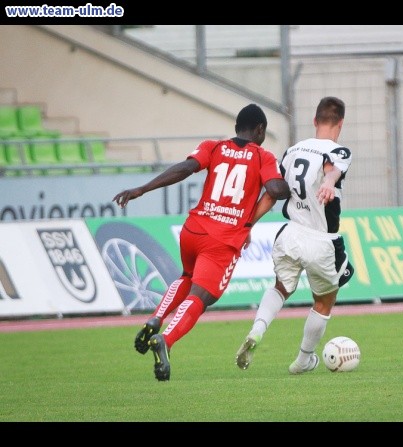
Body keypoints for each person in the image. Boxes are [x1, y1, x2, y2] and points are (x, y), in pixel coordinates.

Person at [112, 103, 290, 381]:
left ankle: (156, 318)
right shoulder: (261, 156)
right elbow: (276, 190)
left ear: (235, 129)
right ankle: (166, 340)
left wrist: (142, 189)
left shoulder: (214, 147)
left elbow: (184, 169)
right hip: (222, 239)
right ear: (260, 130)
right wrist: (283, 182)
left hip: (193, 230)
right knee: (201, 296)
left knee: (187, 276)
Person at [235, 96, 354, 374]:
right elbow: (331, 168)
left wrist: (247, 225)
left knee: (280, 287)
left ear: (315, 121)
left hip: (289, 235)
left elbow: (272, 192)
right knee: (324, 300)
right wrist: (328, 181)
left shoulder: (292, 151)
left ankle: (257, 330)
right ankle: (303, 360)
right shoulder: (340, 151)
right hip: (320, 239)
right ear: (341, 123)